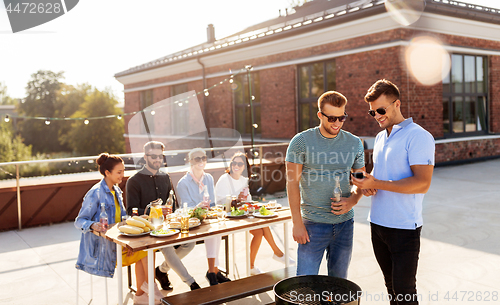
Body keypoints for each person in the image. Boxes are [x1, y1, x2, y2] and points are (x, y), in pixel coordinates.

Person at [352, 79, 434, 305]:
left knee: (405, 293)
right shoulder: (380, 137)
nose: (377, 116)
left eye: (380, 110)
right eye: (372, 113)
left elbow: (422, 183)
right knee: (391, 289)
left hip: (404, 228)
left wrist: (377, 182)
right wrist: (369, 186)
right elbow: (379, 176)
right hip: (377, 224)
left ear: (397, 104)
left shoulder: (419, 136)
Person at [285, 91, 365, 278]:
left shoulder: (354, 143)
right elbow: (291, 184)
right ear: (320, 115)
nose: (337, 123)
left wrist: (353, 200)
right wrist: (297, 223)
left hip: (345, 225)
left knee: (339, 284)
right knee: (305, 284)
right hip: (312, 226)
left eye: (341, 118)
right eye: (331, 118)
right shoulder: (301, 142)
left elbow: (361, 180)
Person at [75, 153, 162, 305]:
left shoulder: (117, 191)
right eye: (119, 172)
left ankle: (142, 295)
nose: (123, 175)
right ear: (107, 173)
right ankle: (151, 287)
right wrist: (93, 225)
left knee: (147, 249)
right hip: (104, 251)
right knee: (146, 251)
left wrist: (128, 240)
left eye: (123, 171)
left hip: (118, 244)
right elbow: (79, 221)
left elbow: (121, 221)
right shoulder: (95, 193)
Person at [126, 141, 201, 291]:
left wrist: (173, 212)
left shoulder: (166, 178)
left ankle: (161, 271)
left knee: (190, 243)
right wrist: (156, 211)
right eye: (154, 156)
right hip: (147, 230)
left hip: (168, 226)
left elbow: (172, 205)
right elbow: (130, 211)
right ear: (145, 156)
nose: (158, 160)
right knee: (167, 247)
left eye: (160, 156)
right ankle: (191, 283)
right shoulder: (133, 181)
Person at [215, 152, 294, 275]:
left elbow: (248, 200)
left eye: (240, 164)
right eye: (234, 163)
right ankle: (278, 253)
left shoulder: (243, 180)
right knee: (261, 226)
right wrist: (236, 200)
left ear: (245, 167)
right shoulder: (224, 179)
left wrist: (245, 201)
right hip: (227, 216)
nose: (236, 166)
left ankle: (252, 266)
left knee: (259, 230)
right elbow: (220, 202)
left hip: (242, 214)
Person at [176, 147, 231, 286]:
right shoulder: (183, 183)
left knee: (217, 228)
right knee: (212, 232)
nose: (201, 161)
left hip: (207, 219)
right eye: (197, 159)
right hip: (192, 223)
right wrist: (199, 207)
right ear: (190, 161)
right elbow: (186, 209)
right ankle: (213, 272)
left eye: (203, 158)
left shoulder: (209, 178)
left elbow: (212, 203)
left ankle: (214, 271)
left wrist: (211, 210)